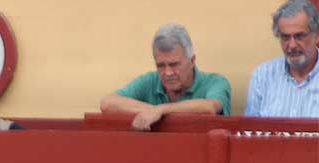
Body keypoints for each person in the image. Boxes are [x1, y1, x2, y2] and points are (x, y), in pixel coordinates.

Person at [99, 23, 230, 131]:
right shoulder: (150, 80)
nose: (167, 72)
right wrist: (154, 111)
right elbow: (108, 103)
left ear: (192, 61)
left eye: (174, 64)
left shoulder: (215, 81)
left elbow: (209, 108)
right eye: (161, 65)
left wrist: (161, 110)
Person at [246, 0, 319, 117]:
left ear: (316, 36)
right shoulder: (262, 76)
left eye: (299, 36)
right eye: (285, 37)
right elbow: (250, 131)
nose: (292, 45)